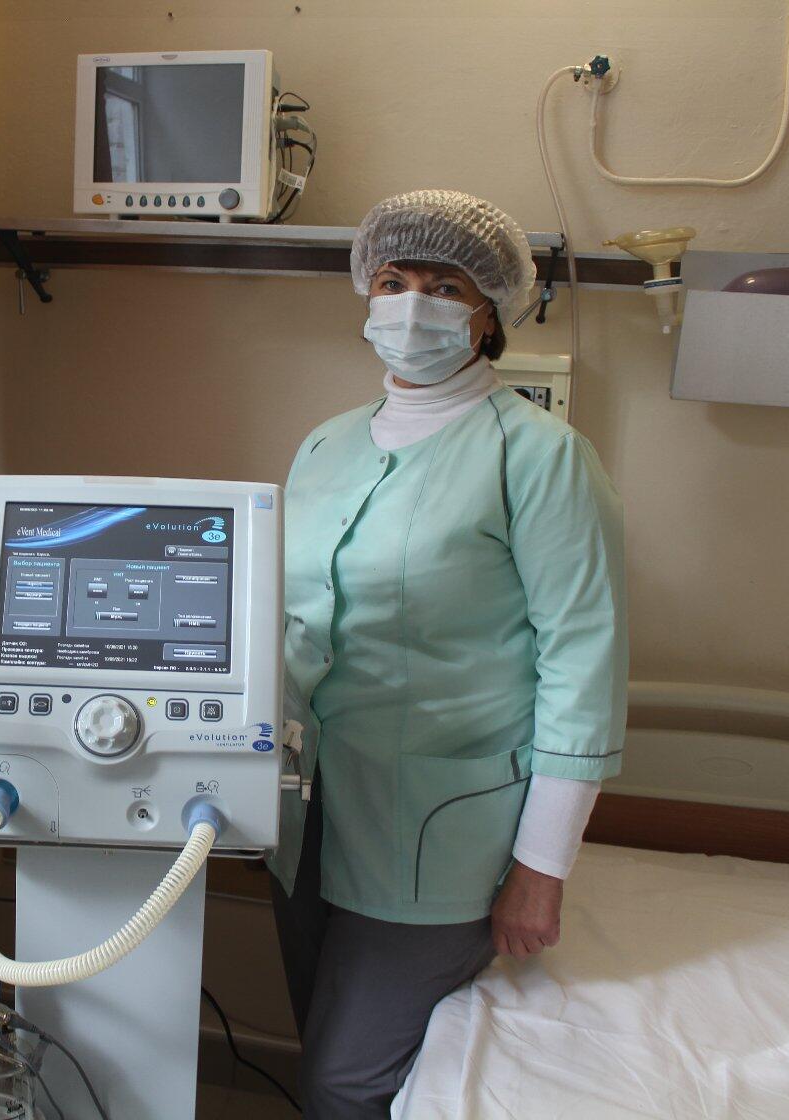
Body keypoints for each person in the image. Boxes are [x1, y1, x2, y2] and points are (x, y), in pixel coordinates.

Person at [270, 189, 627, 1118]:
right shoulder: (324, 446)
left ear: (489, 314)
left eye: (445, 286)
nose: (412, 305)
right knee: (318, 1034)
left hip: (440, 831)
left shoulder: (541, 457)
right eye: (393, 282)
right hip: (307, 811)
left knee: (342, 1078)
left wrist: (540, 869)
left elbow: (582, 667)